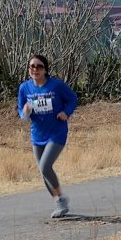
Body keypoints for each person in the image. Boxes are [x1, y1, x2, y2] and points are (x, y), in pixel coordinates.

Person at [17, 54, 78, 218]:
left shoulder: (56, 85)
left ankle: (61, 199)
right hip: (37, 134)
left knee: (45, 166)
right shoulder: (25, 88)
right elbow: (21, 110)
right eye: (32, 66)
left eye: (39, 66)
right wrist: (25, 112)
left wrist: (66, 112)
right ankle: (59, 202)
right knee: (43, 171)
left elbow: (72, 98)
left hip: (56, 132)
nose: (35, 69)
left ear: (45, 69)